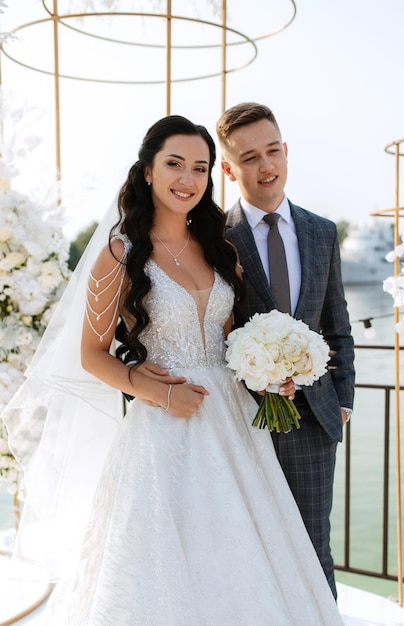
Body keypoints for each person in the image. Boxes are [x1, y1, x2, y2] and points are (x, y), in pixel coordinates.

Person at [3, 115, 344, 625]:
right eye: (175, 165)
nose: (188, 179)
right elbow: (92, 354)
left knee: (248, 552)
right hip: (165, 431)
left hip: (233, 422)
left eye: (201, 168)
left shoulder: (219, 248)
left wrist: (270, 374)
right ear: (147, 171)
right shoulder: (119, 255)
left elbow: (231, 342)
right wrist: (158, 394)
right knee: (168, 559)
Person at [216, 102, 355, 599]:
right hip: (236, 420)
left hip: (314, 421)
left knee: (313, 547)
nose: (266, 165)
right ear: (229, 169)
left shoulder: (321, 231)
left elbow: (337, 328)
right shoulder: (212, 235)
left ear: (286, 151)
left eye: (273, 151)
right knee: (244, 545)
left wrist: (342, 402)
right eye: (249, 157)